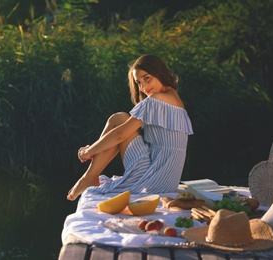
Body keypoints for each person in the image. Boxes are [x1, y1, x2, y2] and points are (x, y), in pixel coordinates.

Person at [67, 54, 193, 201]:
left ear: (160, 73)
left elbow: (120, 135)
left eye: (147, 78)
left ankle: (89, 177)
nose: (144, 87)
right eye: (139, 83)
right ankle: (90, 177)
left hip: (153, 178)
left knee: (119, 119)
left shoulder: (156, 100)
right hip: (167, 181)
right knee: (120, 121)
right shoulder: (175, 100)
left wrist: (88, 151)